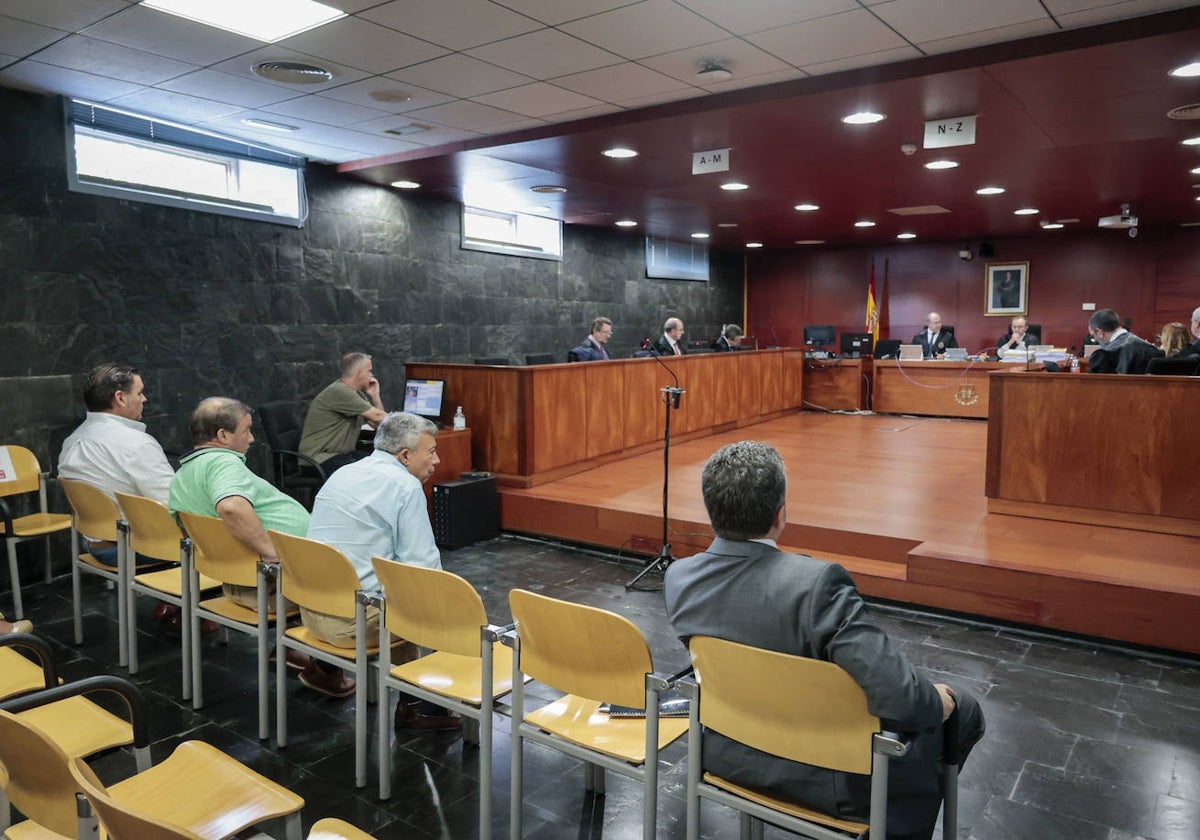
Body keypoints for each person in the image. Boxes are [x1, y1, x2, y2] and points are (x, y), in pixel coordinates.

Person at [664, 441, 984, 840]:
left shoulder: (678, 577)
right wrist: (942, 699)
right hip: (827, 784)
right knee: (962, 709)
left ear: (711, 509)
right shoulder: (816, 585)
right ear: (780, 514)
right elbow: (900, 698)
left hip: (727, 757)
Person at [170, 397, 352, 698]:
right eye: (247, 430)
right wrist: (272, 555)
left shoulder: (183, 475)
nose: (252, 438)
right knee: (354, 583)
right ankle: (323, 670)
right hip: (272, 584)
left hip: (241, 583)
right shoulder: (221, 462)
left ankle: (292, 650)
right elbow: (231, 507)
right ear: (223, 436)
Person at [306, 412, 459, 731]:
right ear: (405, 455)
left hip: (311, 613)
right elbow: (423, 571)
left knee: (387, 590)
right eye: (430, 452)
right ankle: (421, 706)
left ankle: (323, 669)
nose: (437, 460)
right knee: (429, 603)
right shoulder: (405, 487)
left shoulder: (343, 472)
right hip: (353, 626)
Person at [59, 363, 175, 562]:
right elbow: (174, 504)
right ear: (120, 398)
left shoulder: (72, 441)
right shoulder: (136, 444)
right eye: (140, 393)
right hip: (137, 548)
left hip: (95, 543)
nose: (144, 399)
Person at [298, 353, 387, 474]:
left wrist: (375, 396)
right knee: (368, 473)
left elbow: (378, 424)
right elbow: (378, 416)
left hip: (338, 455)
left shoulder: (357, 394)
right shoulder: (340, 391)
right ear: (359, 373)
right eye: (369, 371)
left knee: (381, 464)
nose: (372, 375)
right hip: (317, 459)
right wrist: (410, 425)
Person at [1086, 309, 1162, 374]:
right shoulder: (1154, 350)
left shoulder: (1104, 355)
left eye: (1093, 336)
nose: (1095, 340)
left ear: (1099, 332)